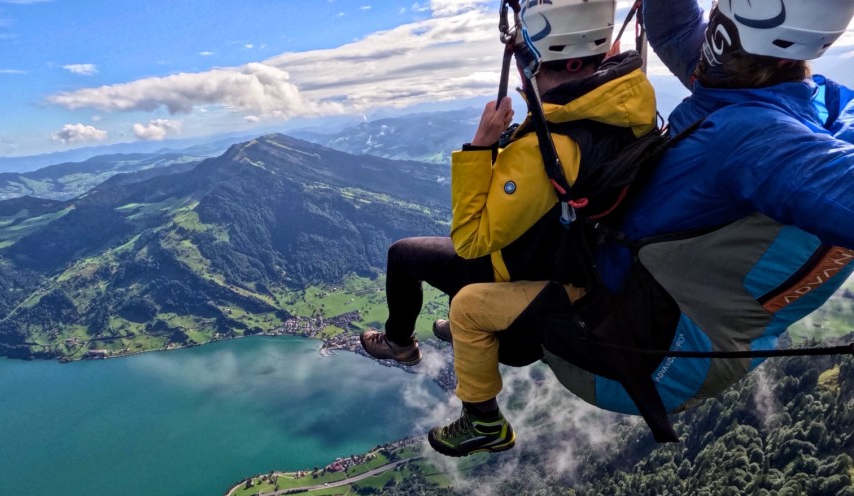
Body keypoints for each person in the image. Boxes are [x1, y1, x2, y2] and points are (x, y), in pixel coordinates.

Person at [428, 0, 854, 457]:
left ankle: (483, 412)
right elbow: (673, 25)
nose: (708, 31)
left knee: (471, 305)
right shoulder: (749, 88)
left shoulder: (758, 143)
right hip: (638, 303)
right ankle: (491, 334)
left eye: (720, 18)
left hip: (643, 355)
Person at [359, 0, 657, 386]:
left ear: (530, 62)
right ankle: (457, 325)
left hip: (519, 276)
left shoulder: (548, 148)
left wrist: (481, 147)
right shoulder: (627, 111)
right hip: (569, 266)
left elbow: (469, 241)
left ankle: (400, 342)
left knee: (402, 255)